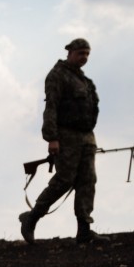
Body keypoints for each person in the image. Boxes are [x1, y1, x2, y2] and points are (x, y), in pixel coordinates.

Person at [20, 37, 106, 245]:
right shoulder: (58, 75)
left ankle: (84, 230)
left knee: (87, 181)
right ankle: (32, 218)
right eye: (80, 53)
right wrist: (52, 138)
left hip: (86, 136)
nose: (84, 57)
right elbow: (51, 106)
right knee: (64, 180)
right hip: (66, 135)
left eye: (87, 54)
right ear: (69, 53)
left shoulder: (84, 81)